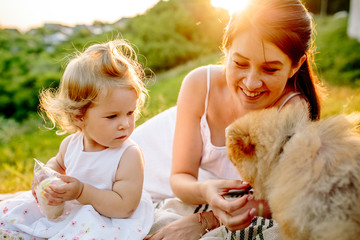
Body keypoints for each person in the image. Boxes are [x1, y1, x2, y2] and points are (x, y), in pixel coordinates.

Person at [140, 0, 325, 239]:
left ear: (294, 66)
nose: (251, 83)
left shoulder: (291, 111)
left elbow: (285, 199)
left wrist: (206, 219)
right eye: (240, 63)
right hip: (155, 160)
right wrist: (205, 191)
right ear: (225, 50)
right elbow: (180, 178)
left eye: (269, 70)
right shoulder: (199, 84)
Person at [0, 39, 154, 239]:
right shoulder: (71, 144)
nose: (125, 123)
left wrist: (81, 192)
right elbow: (57, 163)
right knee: (13, 216)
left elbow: (125, 207)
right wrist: (47, 177)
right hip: (75, 210)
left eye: (130, 112)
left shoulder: (128, 155)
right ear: (79, 116)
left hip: (109, 217)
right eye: (112, 116)